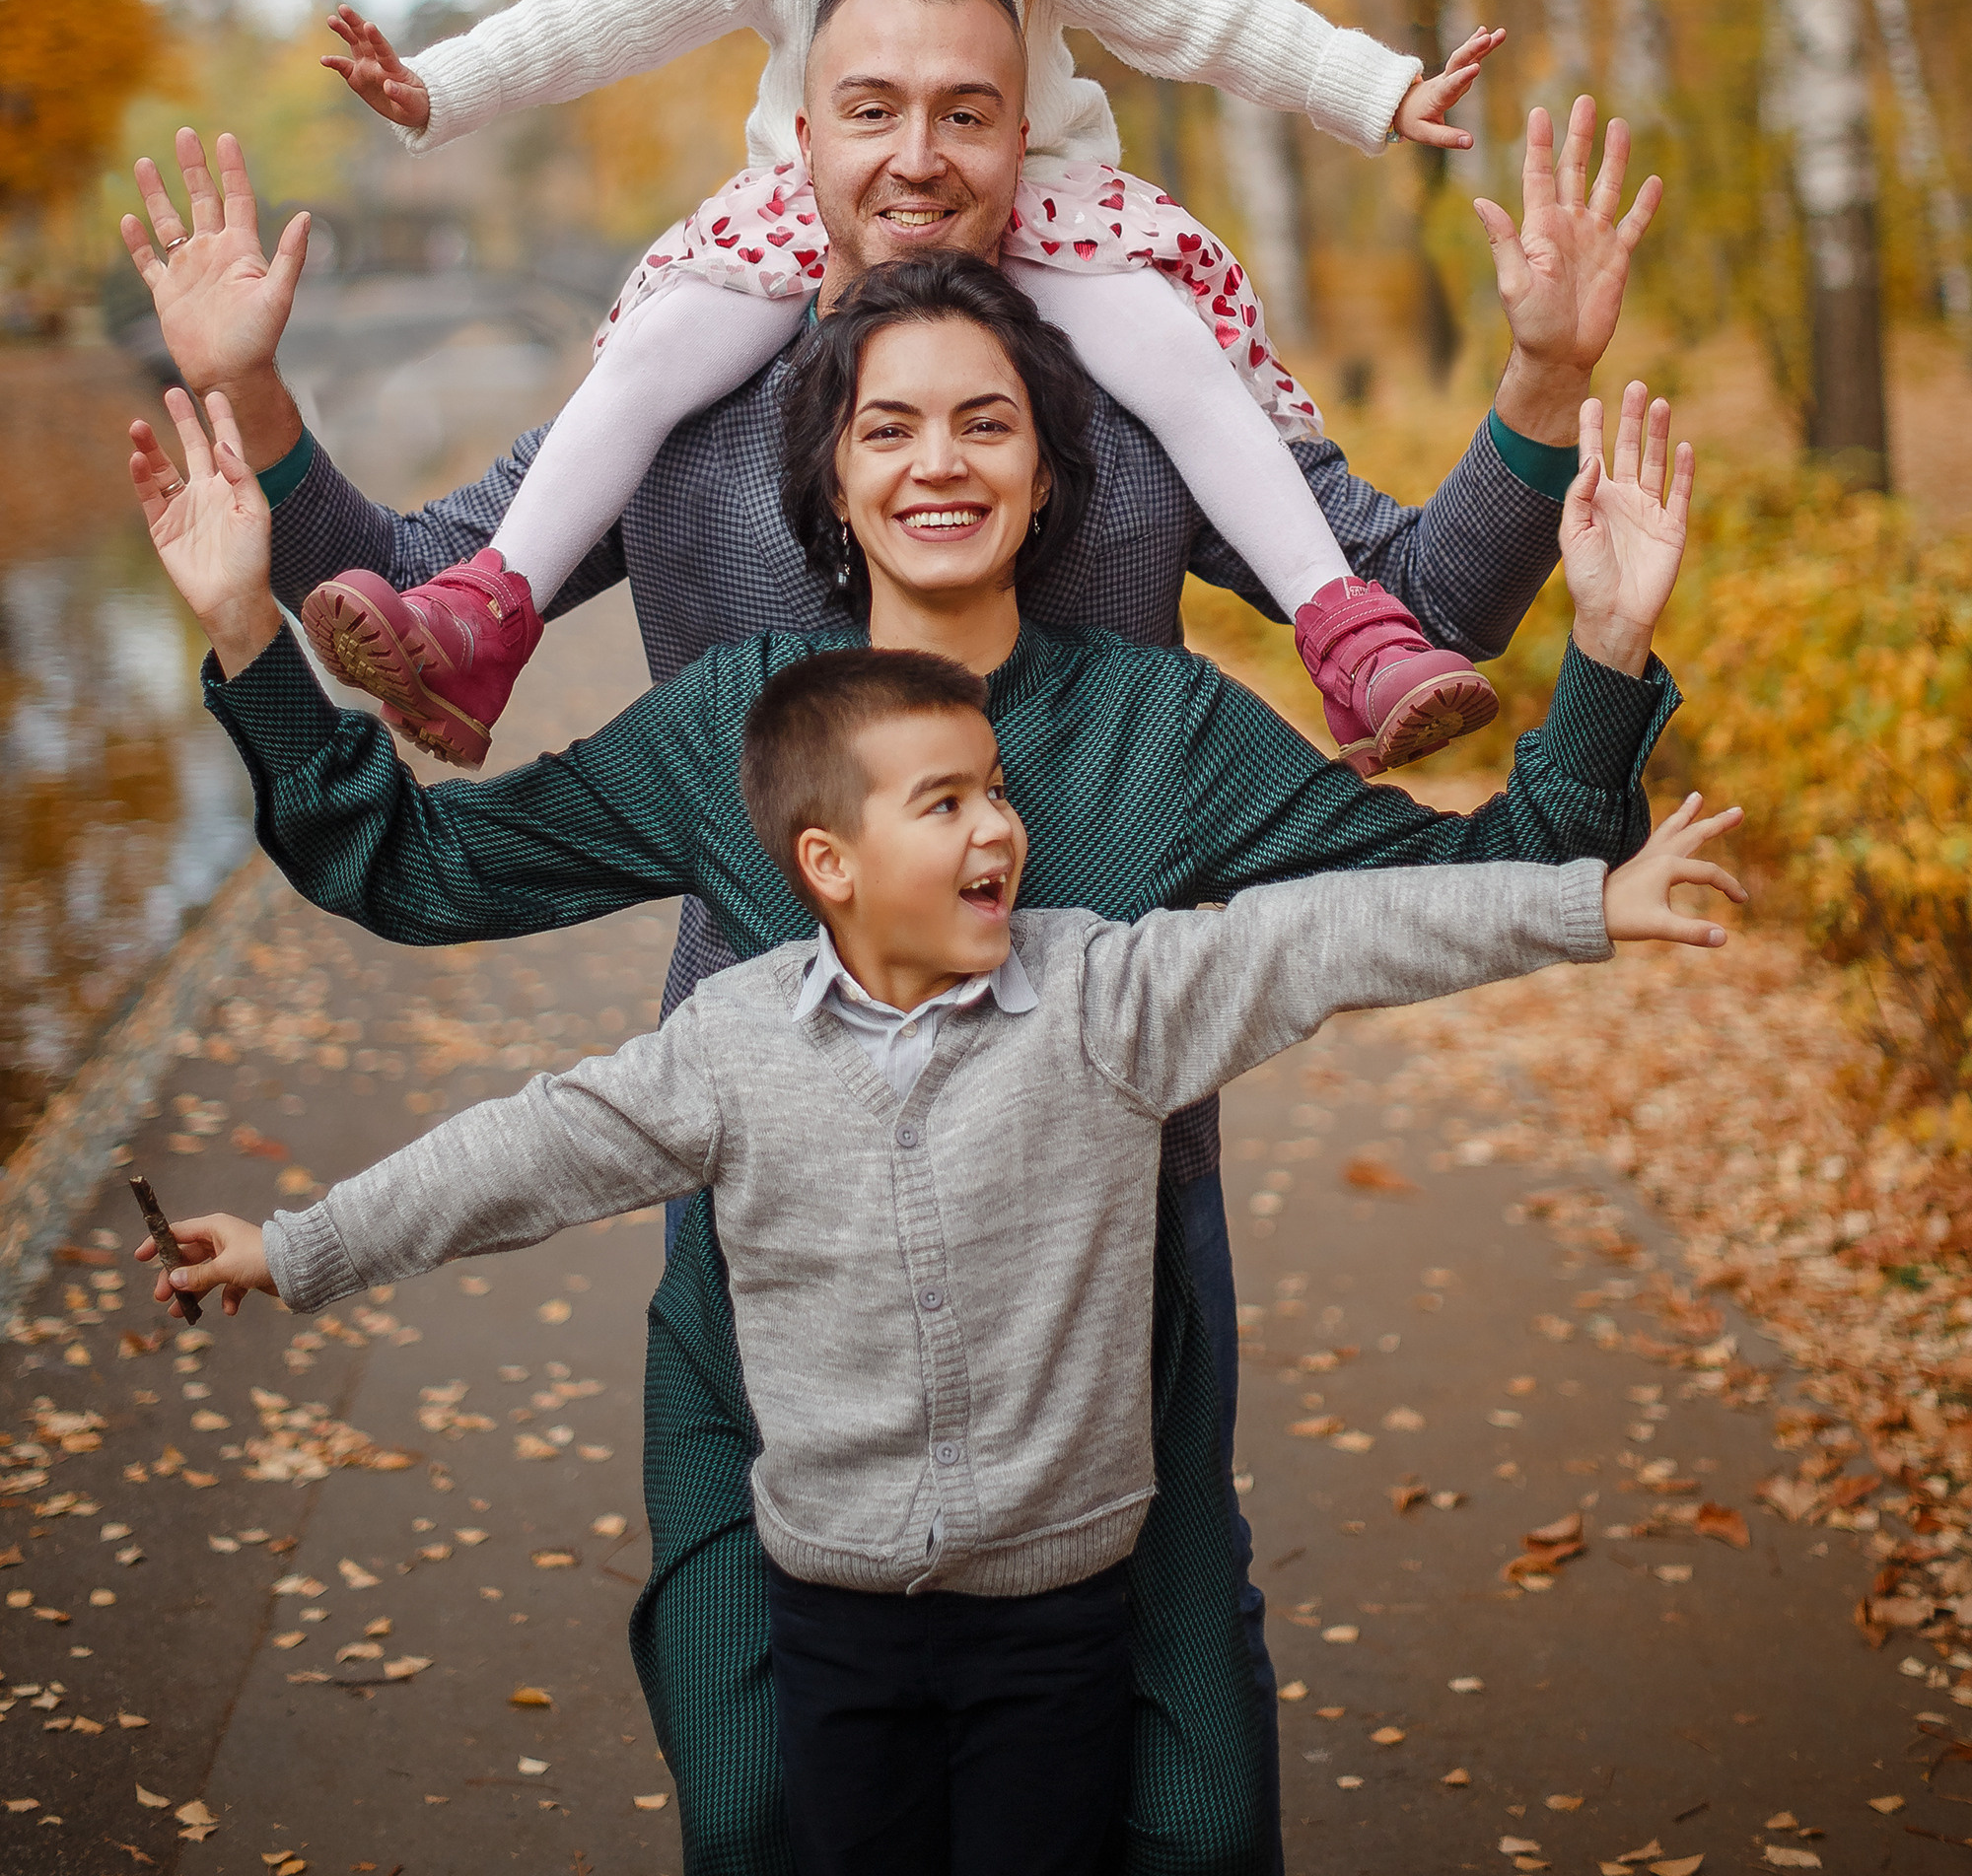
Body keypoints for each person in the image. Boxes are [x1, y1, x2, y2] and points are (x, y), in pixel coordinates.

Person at [121, 0, 1656, 1859]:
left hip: (1107, 1296)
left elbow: (1428, 666)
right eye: (871, 108)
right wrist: (248, 480)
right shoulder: (691, 461)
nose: (918, 156)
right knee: (767, 1819)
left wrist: (1554, 431)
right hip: (772, 1291)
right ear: (802, 133)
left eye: (965, 111)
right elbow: (421, 626)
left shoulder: (1144, 467)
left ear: (1028, 139)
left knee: (1185, 1832)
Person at [141, 650, 1740, 1876]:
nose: (998, 827)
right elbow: (526, 1152)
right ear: (828, 863)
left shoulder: (1104, 999)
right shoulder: (734, 1047)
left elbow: (1323, 939)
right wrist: (296, 1246)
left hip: (1056, 1612)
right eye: (946, 803)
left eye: (997, 791)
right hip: (835, 1611)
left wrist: (1589, 902)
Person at [305, 0, 1515, 774]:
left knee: (1180, 364)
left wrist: (1373, 90)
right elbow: (609, 11)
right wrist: (441, 88)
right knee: (647, 360)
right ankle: (486, 617)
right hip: (810, 206)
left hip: (1038, 199)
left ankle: (1344, 630)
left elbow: (1201, 10)